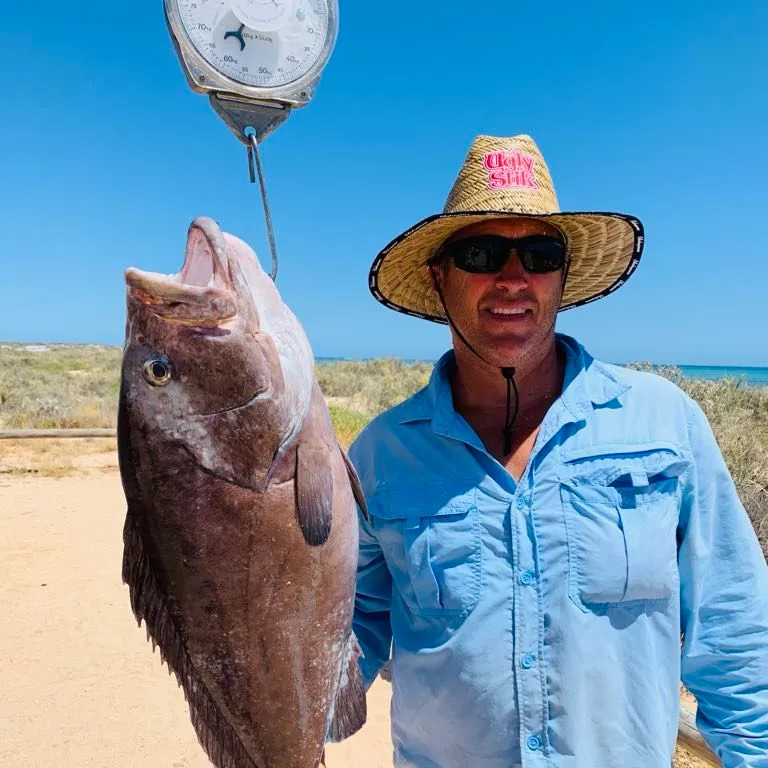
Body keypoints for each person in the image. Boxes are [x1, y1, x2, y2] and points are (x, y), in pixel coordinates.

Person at [347, 134, 768, 768]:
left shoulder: (665, 423)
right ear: (440, 279)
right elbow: (345, 635)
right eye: (483, 252)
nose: (513, 278)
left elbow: (734, 632)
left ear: (562, 277)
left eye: (540, 254)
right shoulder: (380, 456)